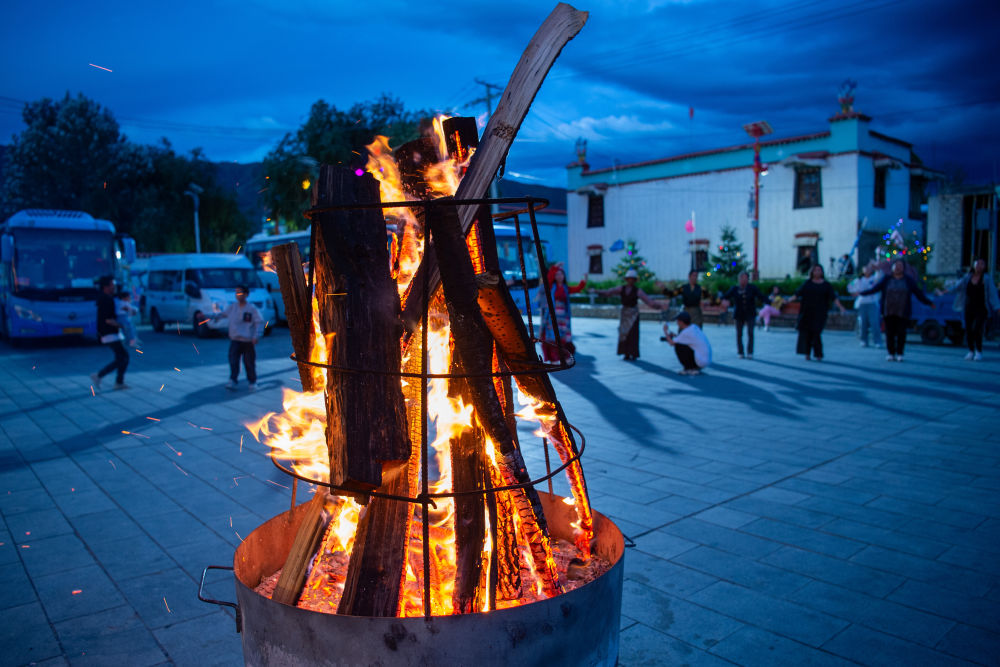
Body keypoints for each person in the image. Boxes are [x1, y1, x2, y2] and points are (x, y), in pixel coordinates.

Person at [858, 259, 934, 362]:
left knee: (901, 333)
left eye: (900, 266)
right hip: (888, 311)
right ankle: (890, 353)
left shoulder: (908, 280)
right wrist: (862, 293)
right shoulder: (887, 279)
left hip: (903, 311)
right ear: (892, 267)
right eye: (896, 265)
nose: (898, 267)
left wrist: (928, 302)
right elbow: (876, 289)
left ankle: (900, 353)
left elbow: (918, 293)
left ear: (903, 268)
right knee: (890, 333)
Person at [596, 268, 664, 361]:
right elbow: (610, 292)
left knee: (633, 334)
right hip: (625, 313)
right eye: (629, 278)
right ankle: (625, 353)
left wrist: (658, 306)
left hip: (633, 314)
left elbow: (648, 301)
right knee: (624, 333)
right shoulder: (622, 288)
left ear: (635, 280)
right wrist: (598, 291)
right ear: (626, 279)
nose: (630, 280)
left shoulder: (637, 291)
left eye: (632, 279)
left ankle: (633, 353)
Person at [788, 264, 847, 361]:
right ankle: (807, 353)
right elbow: (797, 294)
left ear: (822, 272)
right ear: (812, 272)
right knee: (807, 333)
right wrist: (787, 301)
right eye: (815, 270)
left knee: (816, 333)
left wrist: (841, 307)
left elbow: (834, 298)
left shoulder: (826, 285)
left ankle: (818, 354)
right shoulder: (807, 283)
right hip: (807, 312)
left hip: (820, 313)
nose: (817, 272)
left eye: (819, 270)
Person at [213, 284, 264, 390]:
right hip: (235, 340)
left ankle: (252, 381)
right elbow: (222, 314)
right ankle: (233, 379)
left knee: (249, 362)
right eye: (236, 293)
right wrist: (208, 316)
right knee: (233, 361)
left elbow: (259, 322)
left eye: (240, 293)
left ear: (246, 294)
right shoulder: (233, 307)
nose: (238, 295)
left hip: (248, 340)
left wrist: (256, 336)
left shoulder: (251, 308)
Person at [947, 258, 1000, 361]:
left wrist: (997, 307)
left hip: (981, 308)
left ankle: (978, 351)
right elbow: (956, 287)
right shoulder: (967, 278)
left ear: (984, 267)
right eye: (977, 264)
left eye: (982, 264)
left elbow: (992, 295)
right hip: (968, 308)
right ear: (974, 265)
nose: (979, 266)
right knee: (969, 329)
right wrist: (944, 291)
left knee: (977, 329)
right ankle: (971, 350)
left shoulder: (987, 279)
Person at [536, 263, 587, 362]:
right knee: (552, 337)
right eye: (557, 274)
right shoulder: (551, 286)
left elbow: (578, 288)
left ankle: (564, 357)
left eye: (561, 274)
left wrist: (583, 280)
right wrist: (554, 267)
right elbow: (549, 277)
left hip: (563, 318)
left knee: (562, 338)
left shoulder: (565, 288)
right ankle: (554, 359)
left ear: (564, 276)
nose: (559, 276)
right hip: (551, 317)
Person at [90, 275, 129, 391]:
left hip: (109, 333)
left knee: (122, 357)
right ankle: (100, 376)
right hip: (109, 333)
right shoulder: (107, 300)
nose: (115, 287)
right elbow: (108, 319)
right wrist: (122, 325)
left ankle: (118, 382)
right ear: (106, 287)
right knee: (123, 357)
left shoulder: (105, 298)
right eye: (113, 285)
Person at [722, 271, 765, 359]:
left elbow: (761, 296)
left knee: (750, 333)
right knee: (739, 334)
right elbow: (725, 296)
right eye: (741, 278)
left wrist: (771, 302)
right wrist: (720, 301)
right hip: (739, 314)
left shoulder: (752, 288)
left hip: (750, 313)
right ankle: (740, 352)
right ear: (738, 279)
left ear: (748, 279)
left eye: (745, 278)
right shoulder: (735, 288)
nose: (743, 280)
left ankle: (750, 352)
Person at [662, 311, 712, 375]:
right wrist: (675, 335)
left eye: (677, 321)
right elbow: (688, 339)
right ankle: (694, 367)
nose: (677, 323)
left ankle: (690, 368)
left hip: (701, 361)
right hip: (705, 360)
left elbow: (672, 343)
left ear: (681, 322)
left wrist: (665, 331)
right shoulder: (694, 327)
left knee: (678, 346)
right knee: (681, 344)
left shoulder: (686, 332)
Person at [848, 262, 884, 348]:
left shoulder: (874, 278)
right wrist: (853, 292)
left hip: (872, 303)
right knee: (862, 323)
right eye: (865, 269)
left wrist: (877, 268)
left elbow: (880, 276)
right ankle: (863, 340)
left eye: (869, 269)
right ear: (863, 270)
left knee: (874, 323)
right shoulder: (858, 280)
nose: (867, 270)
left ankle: (877, 341)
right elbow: (850, 286)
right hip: (862, 303)